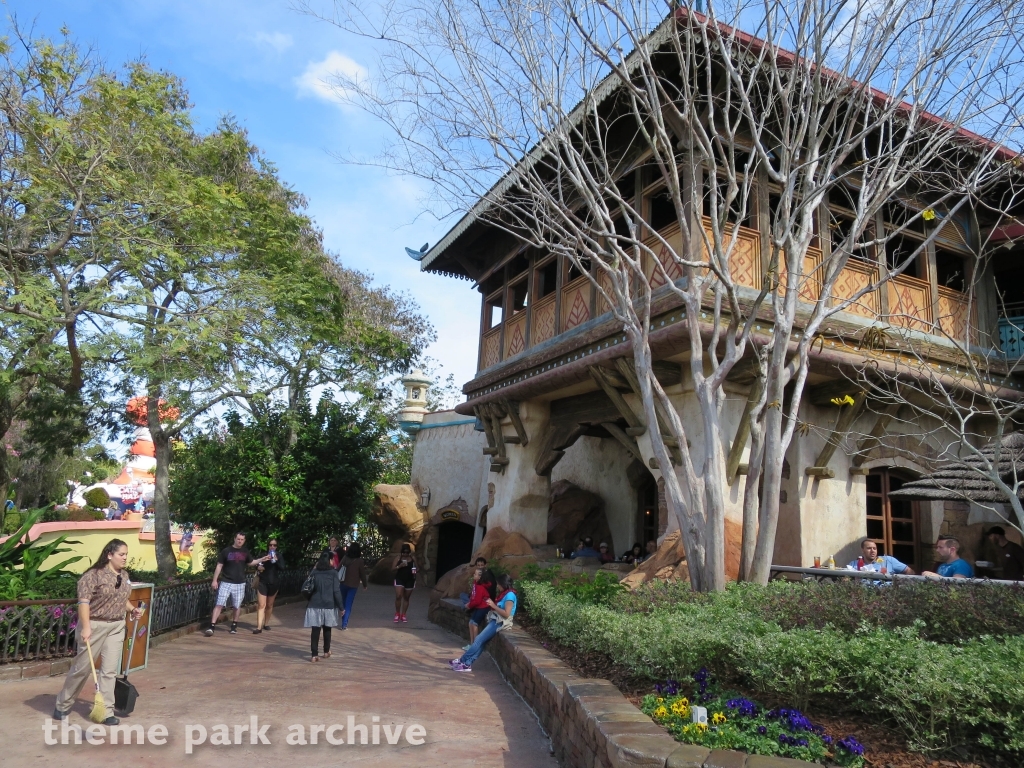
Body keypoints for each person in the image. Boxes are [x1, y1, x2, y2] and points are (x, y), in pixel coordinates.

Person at [53, 539, 144, 724]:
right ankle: (62, 705)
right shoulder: (92, 576)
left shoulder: (124, 574)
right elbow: (84, 603)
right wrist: (86, 627)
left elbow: (120, 598)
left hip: (117, 626)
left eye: (126, 554)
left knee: (109, 671)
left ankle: (106, 711)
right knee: (82, 668)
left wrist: (131, 609)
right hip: (94, 626)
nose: (125, 557)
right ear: (110, 555)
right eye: (121, 554)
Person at [450, 573, 517, 672]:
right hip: (496, 619)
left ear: (504, 583)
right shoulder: (505, 593)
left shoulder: (510, 595)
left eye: (498, 584)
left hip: (500, 621)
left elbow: (507, 614)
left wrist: (493, 606)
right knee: (482, 642)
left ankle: (462, 660)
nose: (497, 586)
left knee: (478, 640)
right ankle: (467, 664)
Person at [204, 532, 267, 636]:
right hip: (226, 581)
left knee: (236, 606)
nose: (240, 541)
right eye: (238, 539)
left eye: (242, 539)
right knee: (219, 604)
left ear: (244, 541)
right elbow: (219, 565)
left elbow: (250, 562)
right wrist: (215, 580)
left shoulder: (245, 551)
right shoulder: (226, 551)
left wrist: (261, 559)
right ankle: (212, 626)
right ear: (234, 539)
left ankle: (234, 625)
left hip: (240, 583)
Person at [304, 551, 345, 662]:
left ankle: (314, 655)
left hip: (314, 604)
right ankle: (326, 651)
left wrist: (313, 569)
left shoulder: (314, 572)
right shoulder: (333, 573)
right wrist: (341, 607)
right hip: (328, 604)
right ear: (330, 560)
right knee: (327, 628)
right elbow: (336, 591)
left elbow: (306, 586)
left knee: (315, 630)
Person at [252, 538, 285, 634]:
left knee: (269, 605)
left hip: (274, 583)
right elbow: (256, 564)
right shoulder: (263, 555)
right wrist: (259, 566)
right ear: (268, 545)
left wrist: (276, 560)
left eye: (274, 545)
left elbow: (282, 567)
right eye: (271, 545)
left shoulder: (279, 555)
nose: (272, 547)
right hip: (263, 582)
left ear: (276, 547)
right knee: (261, 605)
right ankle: (259, 627)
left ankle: (266, 624)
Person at [338, 542, 369, 630]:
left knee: (343, 603)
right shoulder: (359, 561)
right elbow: (362, 574)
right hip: (353, 585)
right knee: (348, 604)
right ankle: (344, 624)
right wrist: (364, 584)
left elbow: (338, 568)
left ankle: (343, 621)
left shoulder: (345, 558)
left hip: (343, 583)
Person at [846, 538, 915, 577]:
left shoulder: (888, 560)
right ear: (862, 550)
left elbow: (910, 571)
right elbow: (845, 579)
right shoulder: (854, 564)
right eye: (869, 548)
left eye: (874, 548)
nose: (872, 551)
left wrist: (901, 582)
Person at [464, 568, 496, 649]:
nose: (474, 575)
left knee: (474, 624)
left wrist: (469, 605)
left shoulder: (480, 587)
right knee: (470, 622)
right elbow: (473, 596)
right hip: (479, 606)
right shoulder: (475, 583)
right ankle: (471, 643)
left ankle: (475, 645)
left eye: (475, 574)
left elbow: (477, 601)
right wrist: (470, 603)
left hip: (484, 607)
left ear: (479, 577)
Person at [392, 543, 418, 623]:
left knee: (406, 598)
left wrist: (415, 570)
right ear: (401, 552)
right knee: (398, 596)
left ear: (409, 552)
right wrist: (399, 566)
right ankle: (397, 613)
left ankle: (403, 614)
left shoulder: (412, 558)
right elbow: (392, 569)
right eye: (404, 552)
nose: (405, 554)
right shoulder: (398, 558)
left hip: (410, 579)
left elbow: (418, 568)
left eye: (407, 552)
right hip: (400, 578)